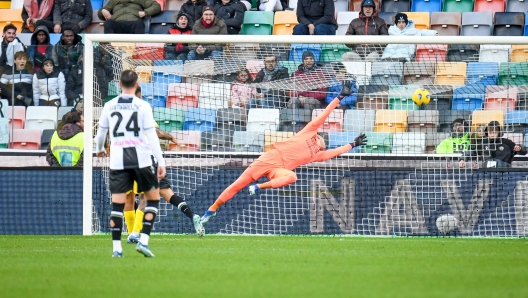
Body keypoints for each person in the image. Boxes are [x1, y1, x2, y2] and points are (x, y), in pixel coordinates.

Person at [201, 82, 368, 224]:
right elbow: (324, 115)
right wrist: (340, 97)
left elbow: (336, 152)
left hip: (278, 168)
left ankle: (259, 187)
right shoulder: (309, 131)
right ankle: (211, 210)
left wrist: (353, 144)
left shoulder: (318, 154)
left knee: (292, 177)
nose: (326, 142)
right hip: (271, 158)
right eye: (325, 139)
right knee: (237, 184)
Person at [94, 70, 166, 258]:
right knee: (153, 200)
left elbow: (101, 133)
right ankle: (143, 241)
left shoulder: (109, 105)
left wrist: (100, 148)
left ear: (119, 84)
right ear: (136, 85)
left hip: (118, 161)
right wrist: (161, 161)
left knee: (117, 205)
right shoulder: (143, 105)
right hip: (141, 160)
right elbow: (152, 135)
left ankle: (117, 248)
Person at [124, 86, 204, 243]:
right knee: (157, 197)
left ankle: (133, 233)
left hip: (131, 160)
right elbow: (158, 132)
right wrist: (171, 138)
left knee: (156, 195)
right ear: (139, 96)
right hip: (147, 160)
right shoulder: (143, 111)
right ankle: (192, 215)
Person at [460, 121, 527, 168]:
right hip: (487, 174)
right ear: (487, 132)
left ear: (499, 132)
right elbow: (471, 152)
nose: (492, 134)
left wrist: (520, 148)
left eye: (494, 132)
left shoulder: (507, 143)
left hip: (504, 174)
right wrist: (463, 159)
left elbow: (524, 151)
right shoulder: (483, 143)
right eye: (490, 132)